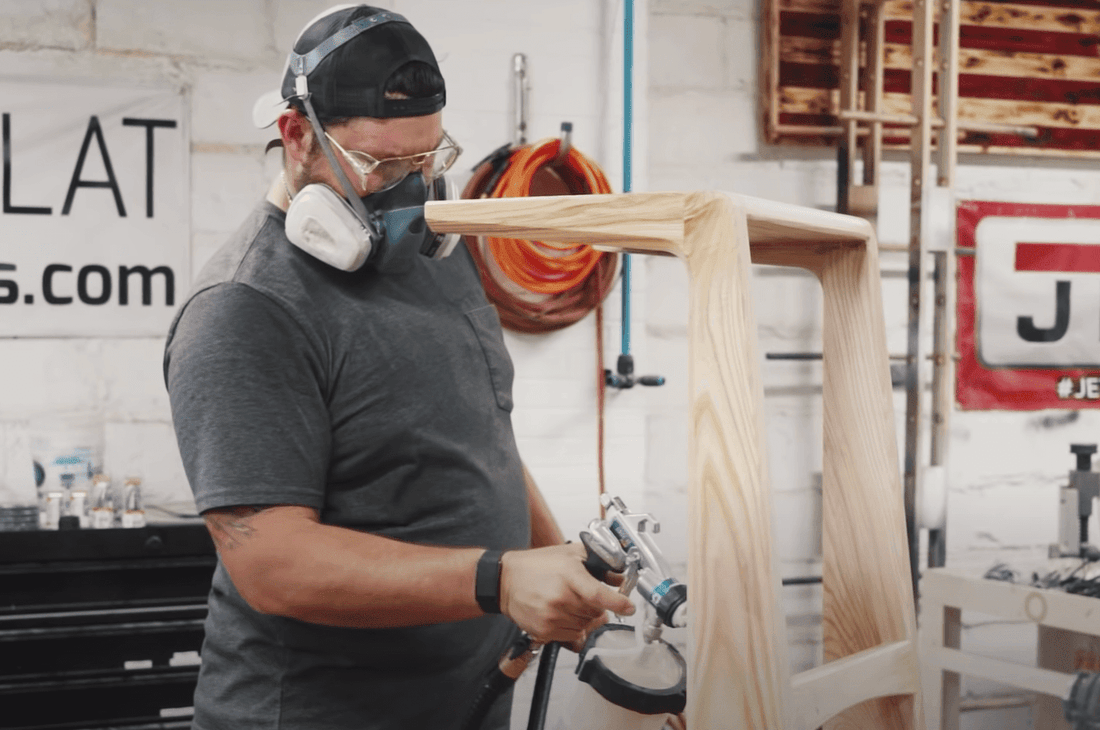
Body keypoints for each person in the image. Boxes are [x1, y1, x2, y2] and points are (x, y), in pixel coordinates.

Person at [163, 5, 633, 729]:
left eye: (427, 160)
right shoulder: (244, 309)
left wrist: (558, 558)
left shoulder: (434, 257)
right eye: (383, 165)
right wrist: (500, 580)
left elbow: (484, 439)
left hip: (468, 698)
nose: (411, 191)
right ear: (297, 137)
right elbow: (274, 564)